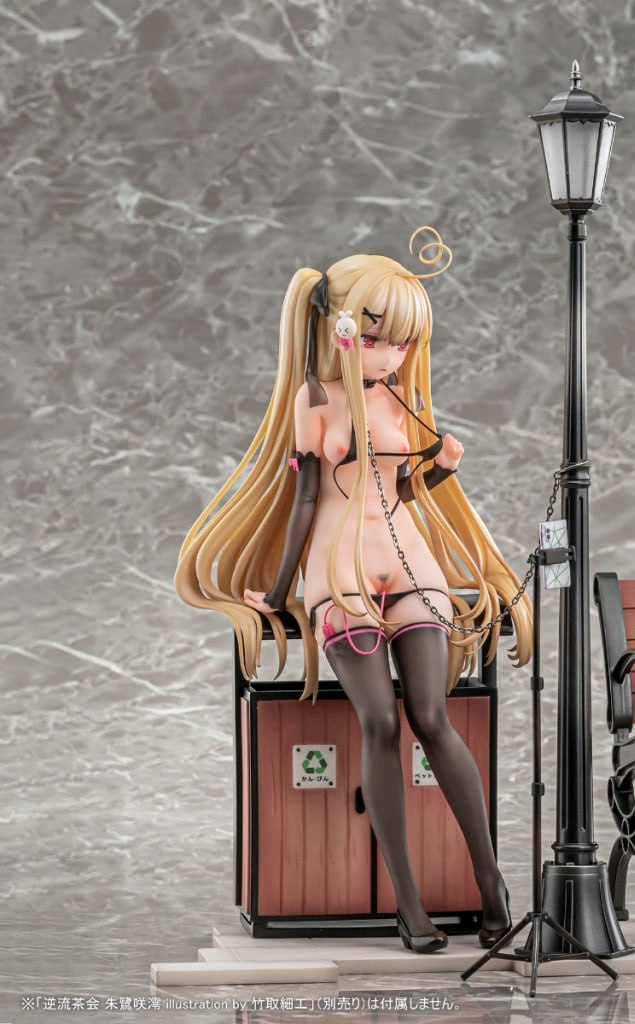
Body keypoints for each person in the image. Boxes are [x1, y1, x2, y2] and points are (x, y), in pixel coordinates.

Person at [175, 227, 531, 953]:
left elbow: (408, 489)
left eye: (402, 342)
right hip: (339, 573)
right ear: (339, 329)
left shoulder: (403, 399)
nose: (390, 354)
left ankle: (491, 883)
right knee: (379, 725)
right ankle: (409, 903)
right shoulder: (314, 401)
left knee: (433, 716)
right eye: (375, 338)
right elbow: (305, 501)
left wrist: (441, 468)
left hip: (410, 564)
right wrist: (277, 593)